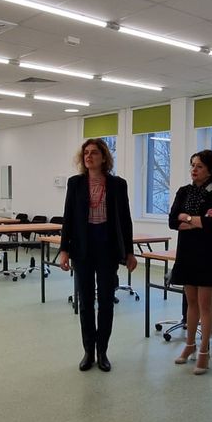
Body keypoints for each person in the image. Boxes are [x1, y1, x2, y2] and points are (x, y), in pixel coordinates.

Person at [56, 139, 136, 373]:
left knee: (106, 302)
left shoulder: (118, 184)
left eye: (94, 153)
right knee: (86, 301)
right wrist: (64, 250)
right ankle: (88, 351)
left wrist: (129, 252)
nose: (89, 156)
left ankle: (102, 351)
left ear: (104, 157)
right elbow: (68, 217)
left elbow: (125, 220)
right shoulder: (75, 183)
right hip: (82, 247)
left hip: (108, 248)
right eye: (86, 153)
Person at [167, 150, 212, 375]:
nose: (194, 169)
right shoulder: (184, 191)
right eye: (192, 165)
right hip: (187, 251)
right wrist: (196, 221)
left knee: (205, 304)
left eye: (199, 166)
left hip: (208, 252)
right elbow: (173, 221)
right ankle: (189, 345)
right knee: (191, 302)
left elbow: (211, 224)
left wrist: (187, 217)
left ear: (209, 170)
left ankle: (204, 350)